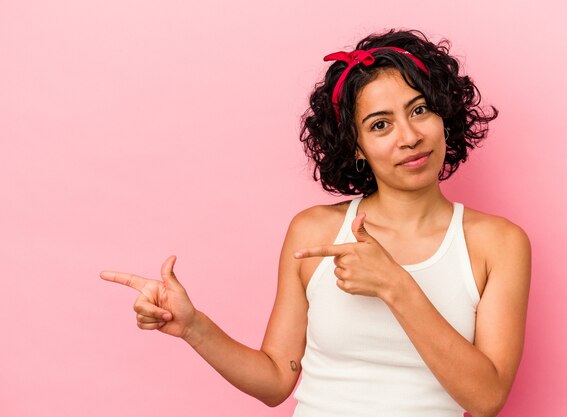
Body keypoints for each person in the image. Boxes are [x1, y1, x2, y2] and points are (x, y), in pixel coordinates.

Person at [100, 29, 531, 417]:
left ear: (443, 116)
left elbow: (486, 398)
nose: (409, 136)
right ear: (356, 146)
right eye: (380, 125)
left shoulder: (497, 243)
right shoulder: (313, 233)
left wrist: (394, 285)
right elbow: (275, 382)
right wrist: (193, 327)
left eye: (419, 110)